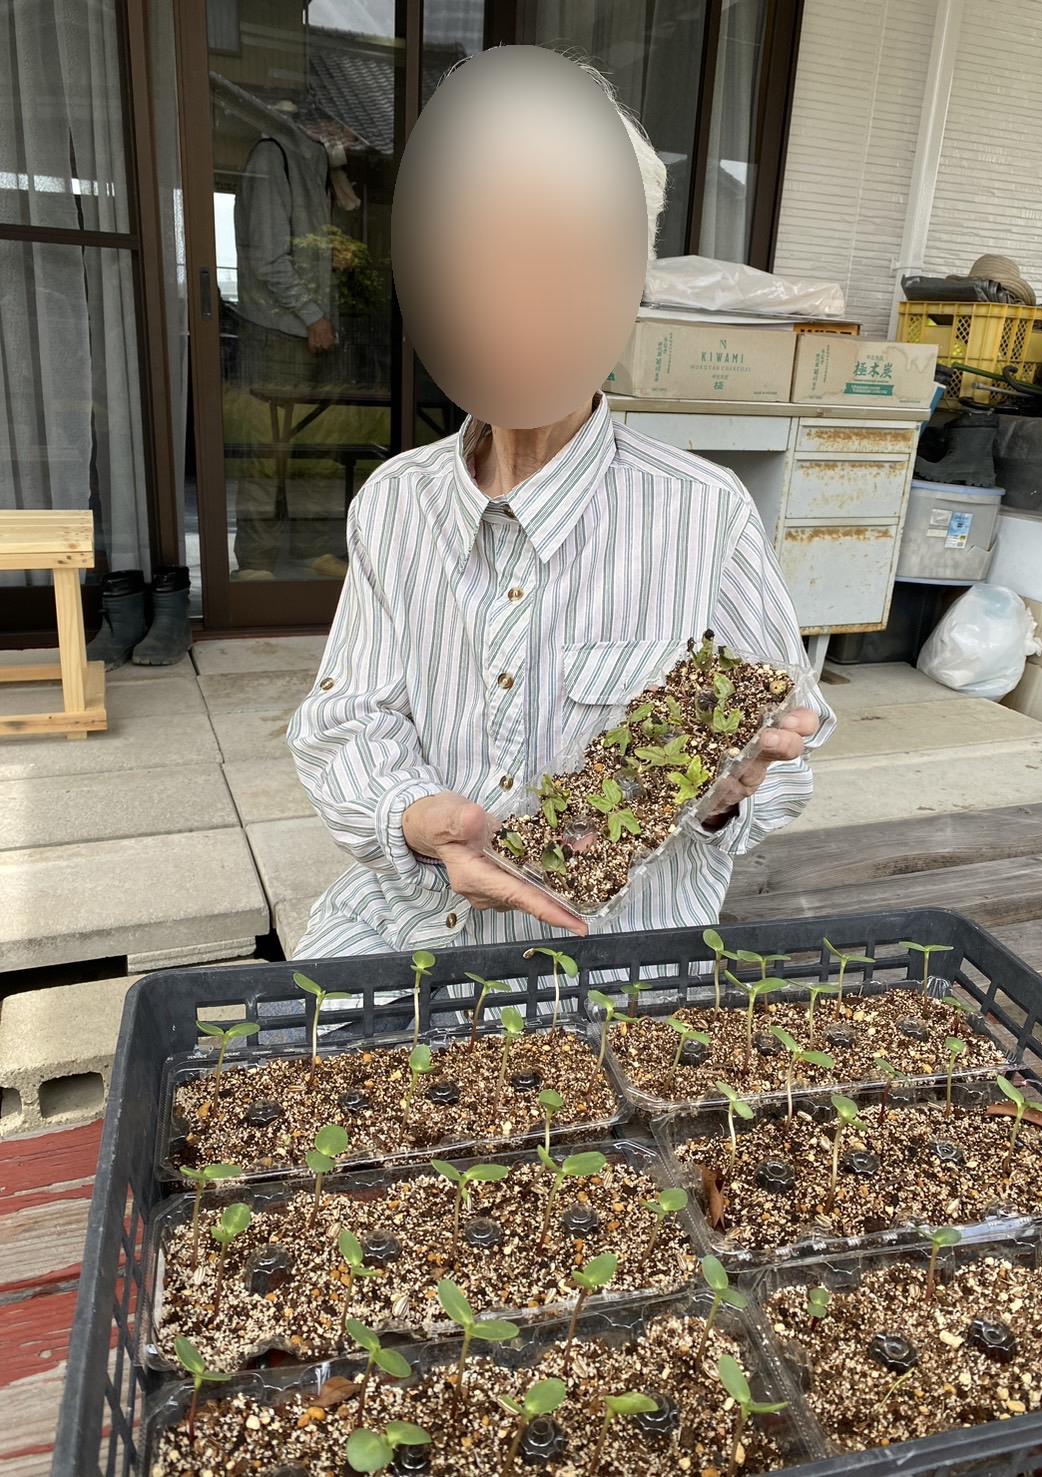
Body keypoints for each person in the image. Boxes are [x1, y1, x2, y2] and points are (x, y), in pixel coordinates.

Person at [287, 54, 834, 962]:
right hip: (408, 923)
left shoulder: (702, 516)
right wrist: (418, 821)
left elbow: (782, 744)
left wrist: (724, 792)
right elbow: (348, 721)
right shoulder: (395, 505)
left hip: (615, 951)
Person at [232, 108, 349, 581]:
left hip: (315, 333)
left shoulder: (319, 167)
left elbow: (305, 255)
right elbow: (267, 258)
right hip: (277, 333)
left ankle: (311, 549)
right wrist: (313, 315)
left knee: (317, 451)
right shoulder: (274, 155)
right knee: (267, 452)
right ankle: (256, 561)